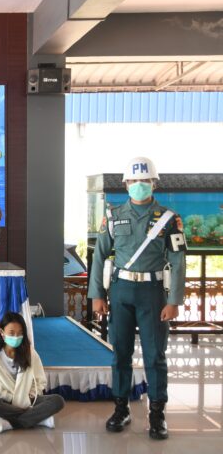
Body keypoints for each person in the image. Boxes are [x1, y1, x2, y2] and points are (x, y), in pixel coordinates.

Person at [89, 157, 186, 441]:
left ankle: (157, 414)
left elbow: (178, 261)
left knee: (155, 356)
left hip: (153, 294)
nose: (139, 185)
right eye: (134, 181)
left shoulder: (169, 218)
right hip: (120, 291)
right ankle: (121, 409)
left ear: (154, 183)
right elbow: (99, 256)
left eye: (145, 181)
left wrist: (174, 300)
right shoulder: (113, 216)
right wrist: (97, 294)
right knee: (120, 353)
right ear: (125, 184)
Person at [0, 312, 64, 433]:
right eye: (12, 333)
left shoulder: (29, 352)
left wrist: (29, 396)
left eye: (20, 333)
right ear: (2, 332)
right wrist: (11, 397)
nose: (16, 337)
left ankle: (10, 422)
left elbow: (40, 381)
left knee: (57, 401)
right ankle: (36, 418)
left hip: (27, 399)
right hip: (5, 401)